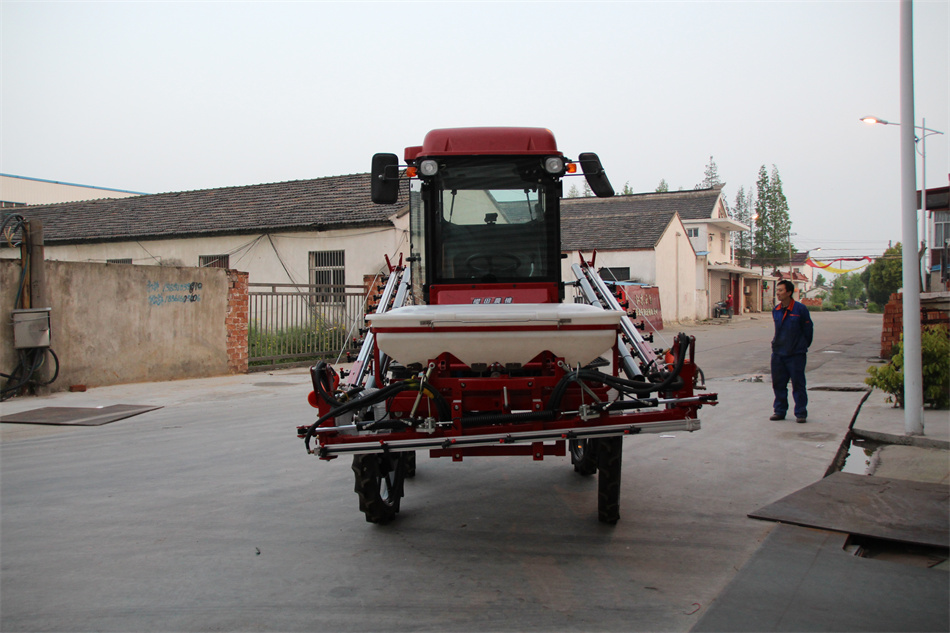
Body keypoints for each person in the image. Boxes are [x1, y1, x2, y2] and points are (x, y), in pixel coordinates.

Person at [770, 280, 813, 423]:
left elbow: (808, 331)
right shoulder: (776, 310)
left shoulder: (800, 309)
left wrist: (801, 346)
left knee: (798, 384)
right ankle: (779, 411)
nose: (778, 293)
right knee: (778, 384)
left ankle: (801, 413)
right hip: (778, 353)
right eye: (777, 290)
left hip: (795, 354)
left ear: (789, 292)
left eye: (781, 290)